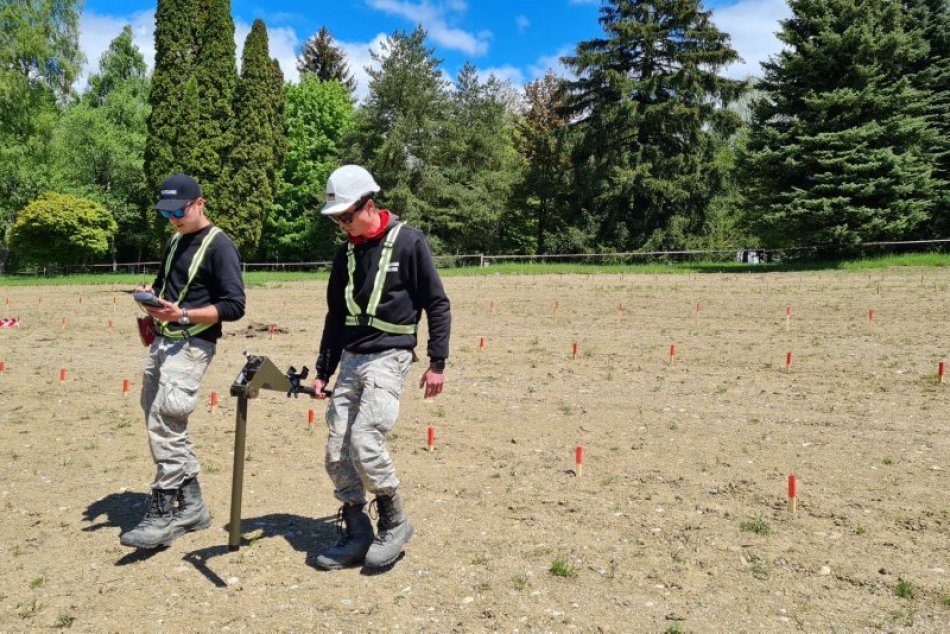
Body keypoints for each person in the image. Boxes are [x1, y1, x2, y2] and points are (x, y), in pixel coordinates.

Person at [310, 164, 451, 570]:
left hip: (390, 356)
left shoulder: (408, 243)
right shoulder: (346, 255)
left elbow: (437, 303)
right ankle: (357, 533)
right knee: (337, 451)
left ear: (368, 205)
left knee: (365, 439)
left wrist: (437, 361)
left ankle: (395, 521)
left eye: (346, 217)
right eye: (336, 219)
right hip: (352, 358)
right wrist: (324, 370)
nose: (341, 225)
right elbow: (335, 317)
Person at [120, 173, 246, 549]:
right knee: (157, 417)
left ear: (200, 204)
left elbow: (235, 306)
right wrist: (149, 297)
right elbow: (166, 287)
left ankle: (163, 511)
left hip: (192, 344)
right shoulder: (175, 241)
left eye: (179, 210)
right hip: (162, 342)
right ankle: (192, 506)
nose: (173, 219)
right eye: (166, 213)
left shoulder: (221, 246)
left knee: (165, 419)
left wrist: (185, 316)